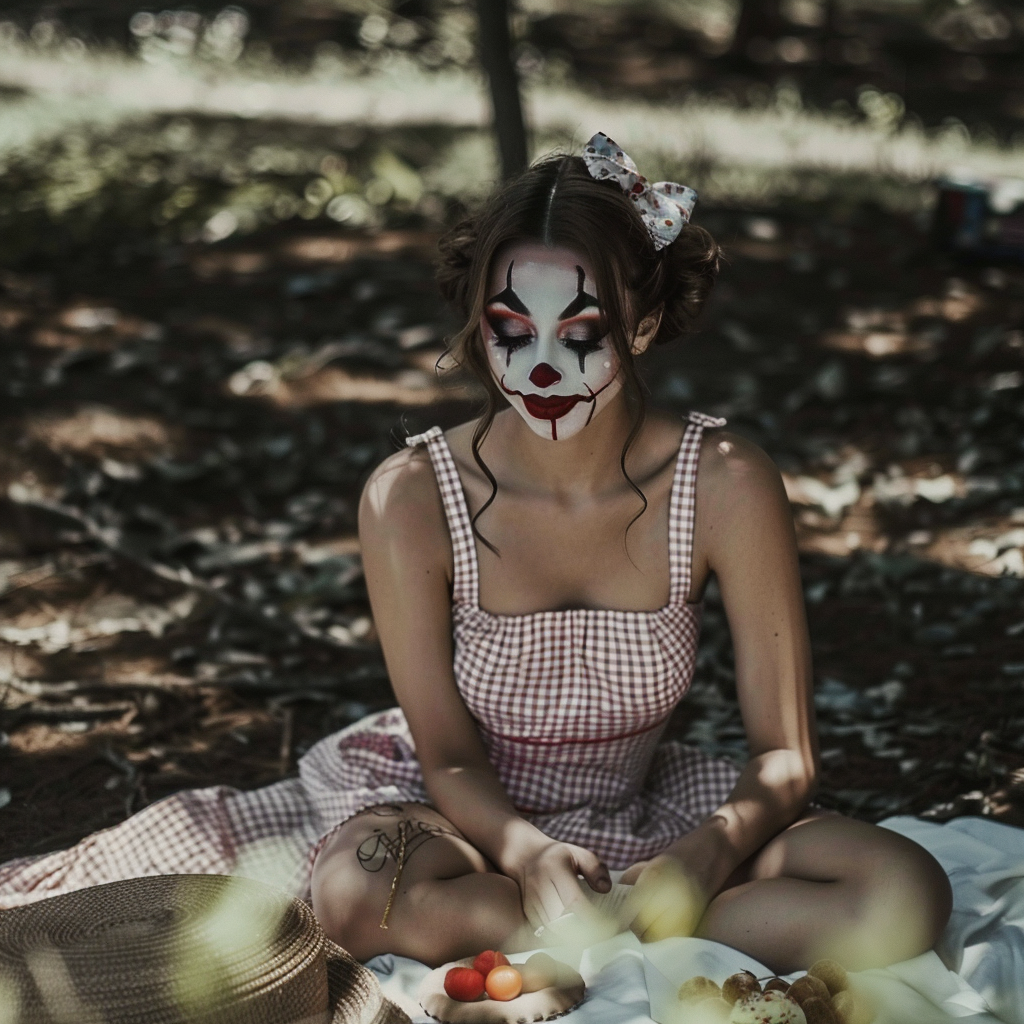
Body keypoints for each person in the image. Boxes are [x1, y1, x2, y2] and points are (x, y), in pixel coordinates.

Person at [308, 135, 953, 972]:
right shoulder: (410, 495)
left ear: (643, 326)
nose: (540, 367)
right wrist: (530, 854)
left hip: (654, 815)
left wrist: (706, 857)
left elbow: (786, 756)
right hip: (462, 818)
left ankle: (594, 933)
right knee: (357, 893)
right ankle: (630, 936)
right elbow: (448, 754)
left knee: (907, 890)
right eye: (511, 329)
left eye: (581, 332)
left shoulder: (726, 483)